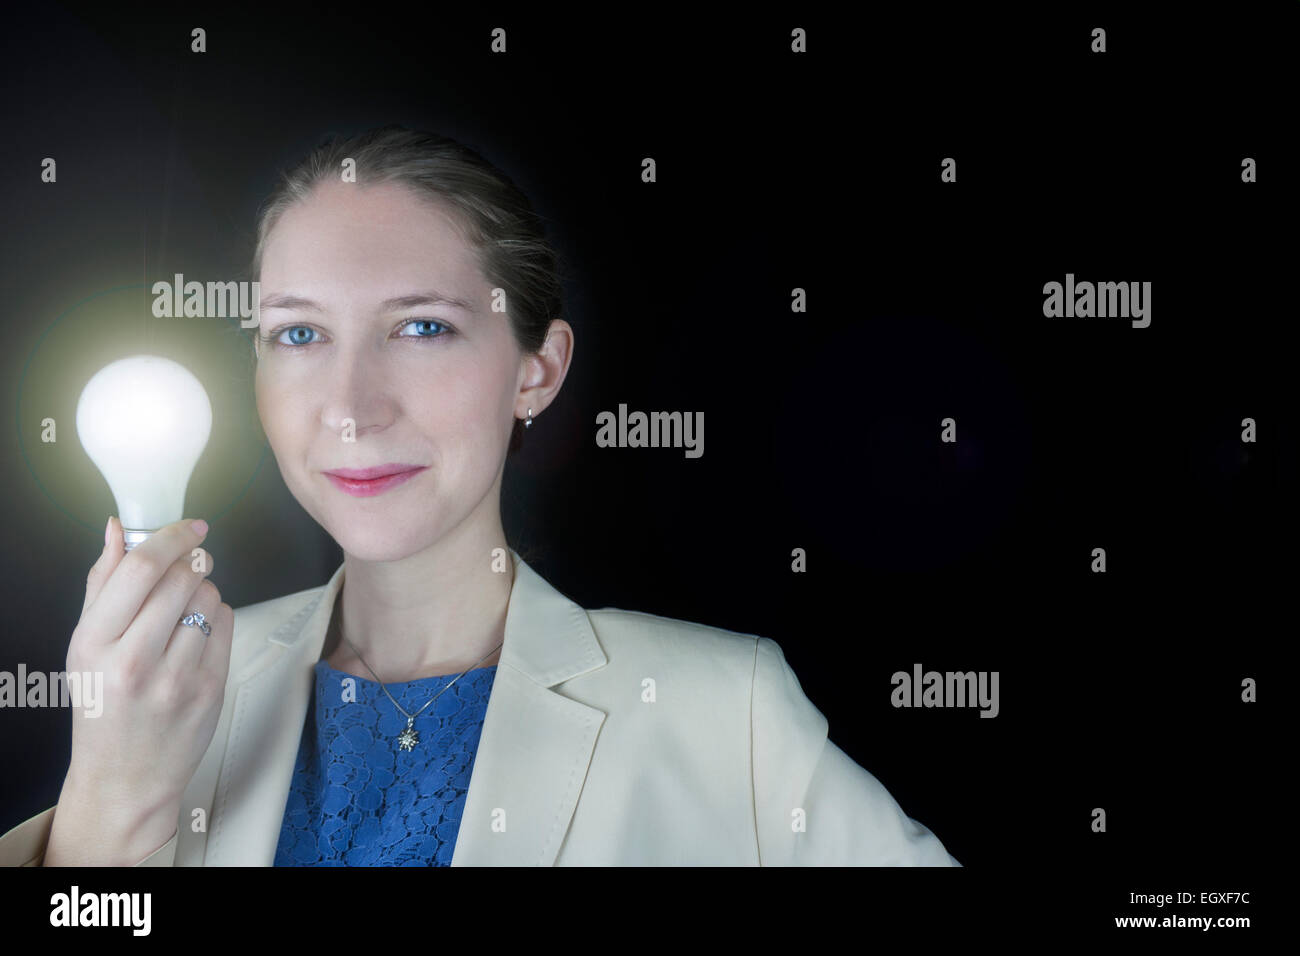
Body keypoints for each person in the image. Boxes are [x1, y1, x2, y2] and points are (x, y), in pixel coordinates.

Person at [0, 126, 959, 866]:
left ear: (537, 370)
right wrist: (109, 804)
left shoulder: (727, 717)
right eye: (298, 335)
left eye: (421, 327)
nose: (350, 407)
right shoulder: (159, 698)